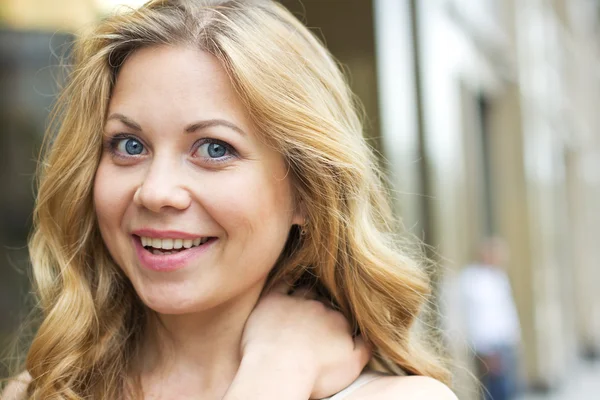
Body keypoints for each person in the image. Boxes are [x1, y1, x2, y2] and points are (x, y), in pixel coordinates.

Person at [2, 0, 457, 398]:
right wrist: (273, 375)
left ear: (306, 193)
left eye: (214, 149)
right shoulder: (40, 391)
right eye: (129, 145)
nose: (156, 191)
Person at [460, 237, 521, 400]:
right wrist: (485, 348)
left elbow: (505, 310)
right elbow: (477, 317)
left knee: (509, 386)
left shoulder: (498, 277)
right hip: (488, 343)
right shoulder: (472, 280)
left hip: (505, 341)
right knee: (495, 387)